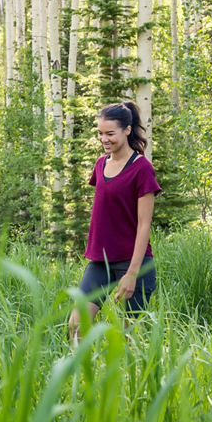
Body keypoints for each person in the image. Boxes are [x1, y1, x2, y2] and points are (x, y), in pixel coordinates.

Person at [69, 102, 162, 340]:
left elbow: (144, 225)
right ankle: (83, 376)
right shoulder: (101, 164)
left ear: (127, 130)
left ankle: (132, 377)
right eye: (100, 133)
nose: (104, 139)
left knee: (132, 337)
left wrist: (131, 274)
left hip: (135, 263)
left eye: (110, 133)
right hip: (100, 261)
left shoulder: (142, 168)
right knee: (76, 325)